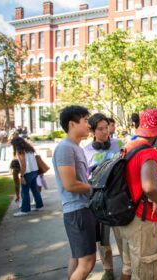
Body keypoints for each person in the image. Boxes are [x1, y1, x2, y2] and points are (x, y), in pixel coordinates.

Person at [118, 108, 157, 280]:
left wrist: (155, 182)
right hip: (142, 218)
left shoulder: (129, 146)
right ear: (156, 133)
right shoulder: (149, 152)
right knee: (146, 270)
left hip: (126, 215)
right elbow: (149, 188)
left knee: (129, 266)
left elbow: (134, 177)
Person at [52, 105, 96, 280]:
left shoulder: (76, 147)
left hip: (82, 208)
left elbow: (80, 180)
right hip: (77, 210)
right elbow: (70, 185)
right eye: (85, 121)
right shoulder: (65, 148)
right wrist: (96, 187)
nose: (89, 125)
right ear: (72, 124)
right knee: (87, 262)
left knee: (78, 259)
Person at [83, 113, 123, 280]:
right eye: (100, 129)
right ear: (92, 130)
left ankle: (128, 267)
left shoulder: (118, 143)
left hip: (119, 198)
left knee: (122, 236)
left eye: (107, 127)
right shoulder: (86, 150)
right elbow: (85, 177)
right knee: (104, 239)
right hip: (99, 200)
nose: (105, 132)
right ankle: (108, 270)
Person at [11, 137, 44, 217]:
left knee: (24, 192)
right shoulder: (29, 149)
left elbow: (23, 165)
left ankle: (25, 210)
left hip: (27, 173)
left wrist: (22, 176)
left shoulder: (20, 151)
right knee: (34, 189)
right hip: (34, 171)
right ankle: (39, 206)